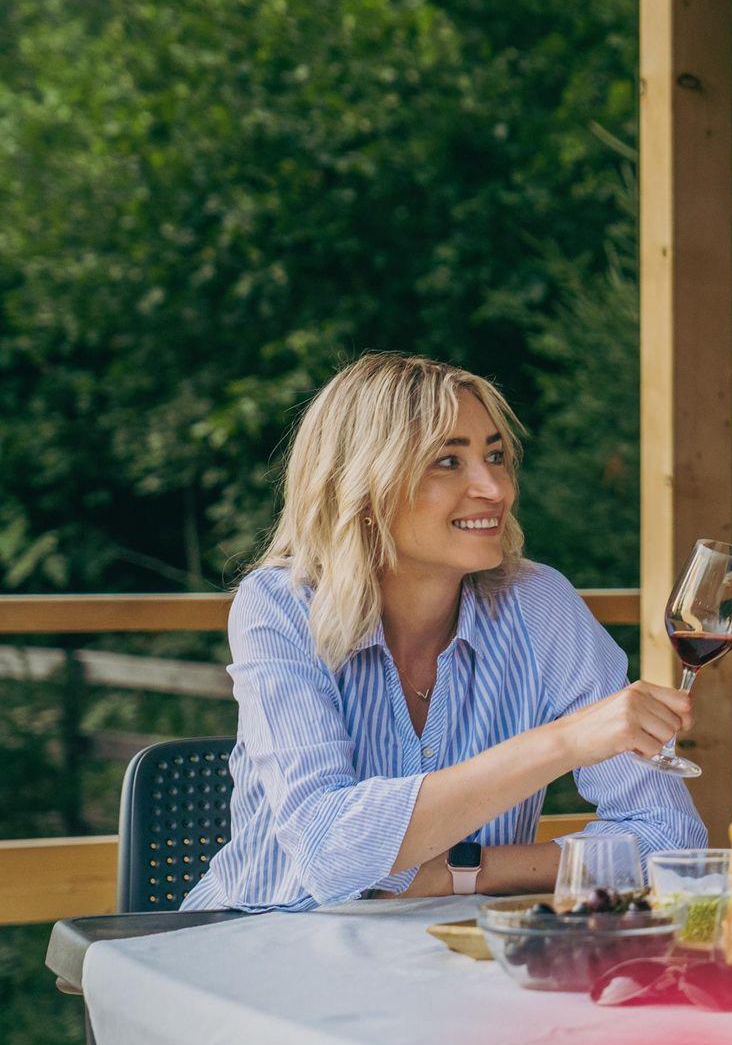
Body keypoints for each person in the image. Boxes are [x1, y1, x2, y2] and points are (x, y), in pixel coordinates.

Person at [184, 354, 703, 911]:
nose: (494, 488)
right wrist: (565, 741)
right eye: (447, 462)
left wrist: (465, 871)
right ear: (363, 486)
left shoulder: (539, 604)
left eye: (495, 457)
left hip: (455, 944)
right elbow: (328, 849)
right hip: (262, 938)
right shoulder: (281, 604)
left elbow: (670, 840)